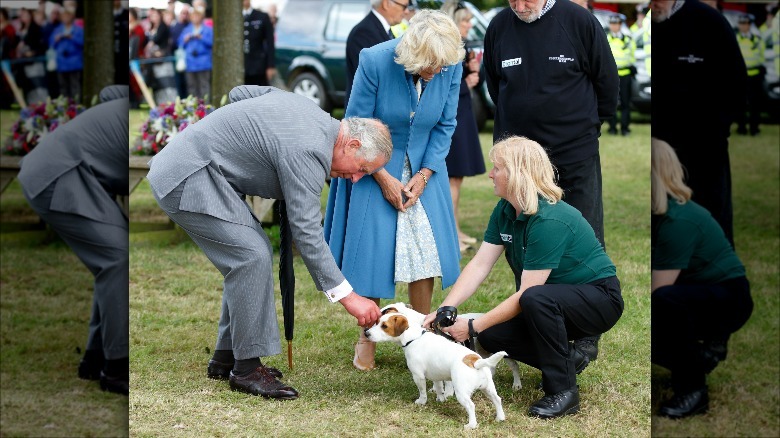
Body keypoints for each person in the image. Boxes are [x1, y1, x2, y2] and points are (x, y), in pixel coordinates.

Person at [148, 85, 392, 399]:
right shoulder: (310, 150)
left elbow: (239, 93)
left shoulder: (309, 112)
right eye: (361, 169)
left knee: (250, 255)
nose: (355, 178)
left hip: (196, 170)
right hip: (186, 176)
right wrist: (349, 297)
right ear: (352, 144)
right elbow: (307, 232)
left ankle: (226, 357)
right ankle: (246, 370)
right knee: (251, 256)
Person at [422, 136, 623, 419]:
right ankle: (568, 360)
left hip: (598, 300)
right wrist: (447, 308)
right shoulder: (506, 209)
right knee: (492, 334)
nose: (490, 174)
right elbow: (480, 263)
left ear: (517, 173)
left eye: (497, 168)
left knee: (527, 302)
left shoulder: (549, 218)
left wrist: (472, 326)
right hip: (548, 301)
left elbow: (529, 293)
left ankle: (563, 392)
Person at [324, 10, 464, 371]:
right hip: (372, 164)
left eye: (441, 66)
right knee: (373, 252)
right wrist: (384, 177)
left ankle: (421, 333)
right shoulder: (374, 60)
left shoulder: (449, 64)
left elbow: (446, 124)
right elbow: (354, 127)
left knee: (424, 254)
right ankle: (366, 337)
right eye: (428, 65)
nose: (435, 73)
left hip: (424, 168)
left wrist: (426, 173)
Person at [483, 0, 618, 361]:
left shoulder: (578, 22)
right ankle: (531, 319)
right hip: (520, 163)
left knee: (584, 233)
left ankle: (586, 335)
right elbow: (495, 86)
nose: (519, 5)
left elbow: (607, 83)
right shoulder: (499, 27)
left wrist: (587, 128)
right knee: (525, 242)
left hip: (574, 153)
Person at [17, 85, 130, 395]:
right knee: (118, 259)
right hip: (61, 173)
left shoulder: (121, 104)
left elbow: (109, 92)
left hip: (66, 170)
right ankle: (117, 368)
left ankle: (96, 359)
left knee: (114, 261)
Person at [650, 137, 753, 419]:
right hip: (701, 290)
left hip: (728, 297)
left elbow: (659, 291)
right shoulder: (664, 214)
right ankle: (697, 359)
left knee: (660, 306)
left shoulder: (678, 221)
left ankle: (693, 389)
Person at [650, 0, 747, 248]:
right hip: (657, 151)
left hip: (704, 149)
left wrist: (717, 130)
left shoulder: (709, 22)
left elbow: (736, 82)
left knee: (711, 218)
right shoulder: (648, 25)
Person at [441, 0, 486, 252]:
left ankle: (455, 230)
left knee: (456, 179)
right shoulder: (448, 49)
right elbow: (444, 87)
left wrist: (470, 78)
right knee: (452, 179)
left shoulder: (461, 47)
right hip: (453, 119)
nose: (470, 24)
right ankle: (451, 236)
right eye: (465, 21)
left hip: (463, 114)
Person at [344, 0, 408, 106]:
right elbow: (370, 78)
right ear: (386, 3)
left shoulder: (381, 29)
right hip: (365, 113)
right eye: (404, 6)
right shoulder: (363, 32)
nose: (406, 11)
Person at [735, 14, 765, 137]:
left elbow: (761, 56)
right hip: (740, 76)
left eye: (745, 23)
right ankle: (741, 127)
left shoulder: (757, 40)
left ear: (749, 25)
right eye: (741, 24)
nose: (743, 26)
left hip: (755, 76)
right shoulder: (735, 38)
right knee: (740, 103)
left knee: (755, 105)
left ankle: (754, 128)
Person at [606, 14, 636, 137]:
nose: (614, 26)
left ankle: (625, 128)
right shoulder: (606, 38)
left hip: (625, 74)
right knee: (611, 102)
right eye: (612, 24)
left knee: (625, 103)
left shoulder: (628, 39)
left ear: (620, 25)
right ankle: (612, 127)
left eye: (616, 24)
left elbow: (632, 56)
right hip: (611, 76)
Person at [50, 6, 83, 102]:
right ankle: (65, 106)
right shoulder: (58, 30)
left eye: (67, 16)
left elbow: (82, 42)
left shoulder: (78, 29)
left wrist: (71, 37)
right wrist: (56, 39)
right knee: (63, 87)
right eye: (64, 16)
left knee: (75, 86)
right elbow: (51, 44)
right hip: (62, 63)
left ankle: (76, 105)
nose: (65, 18)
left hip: (75, 63)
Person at [178, 6, 212, 100]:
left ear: (201, 17)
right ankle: (193, 108)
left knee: (204, 86)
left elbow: (211, 43)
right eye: (193, 16)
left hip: (204, 62)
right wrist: (185, 40)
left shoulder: (208, 29)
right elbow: (180, 44)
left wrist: (201, 38)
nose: (195, 18)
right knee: (192, 87)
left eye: (197, 16)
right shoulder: (187, 30)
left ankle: (206, 107)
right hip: (190, 62)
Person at [14, 8, 47, 104]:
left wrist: (33, 52)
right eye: (21, 15)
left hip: (35, 62)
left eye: (24, 15)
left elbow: (41, 46)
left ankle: (43, 105)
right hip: (23, 63)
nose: (22, 17)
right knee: (29, 87)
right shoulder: (21, 29)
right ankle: (32, 107)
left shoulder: (36, 28)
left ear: (30, 15)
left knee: (39, 85)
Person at [242, 0, 276, 86]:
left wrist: (270, 65)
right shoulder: (235, 18)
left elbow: (270, 43)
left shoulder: (262, 17)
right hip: (241, 65)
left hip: (258, 67)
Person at [169, 3, 189, 98]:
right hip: (178, 56)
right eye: (183, 13)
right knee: (179, 81)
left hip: (189, 57)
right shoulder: (175, 26)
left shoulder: (190, 26)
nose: (184, 15)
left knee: (188, 82)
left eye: (186, 13)